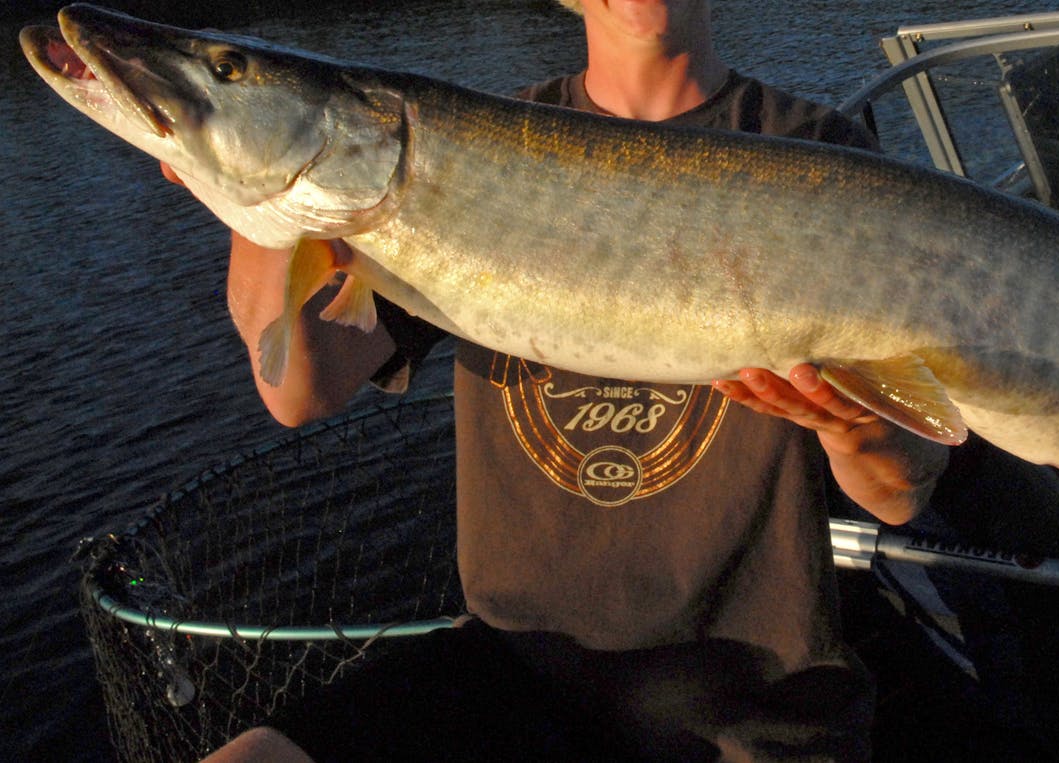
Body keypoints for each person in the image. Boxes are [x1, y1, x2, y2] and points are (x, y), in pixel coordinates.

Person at [196, 1, 950, 760]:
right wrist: (254, 179)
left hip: (752, 689)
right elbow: (299, 389)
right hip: (516, 667)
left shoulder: (819, 151)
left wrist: (860, 430)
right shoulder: (448, 148)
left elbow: (899, 490)